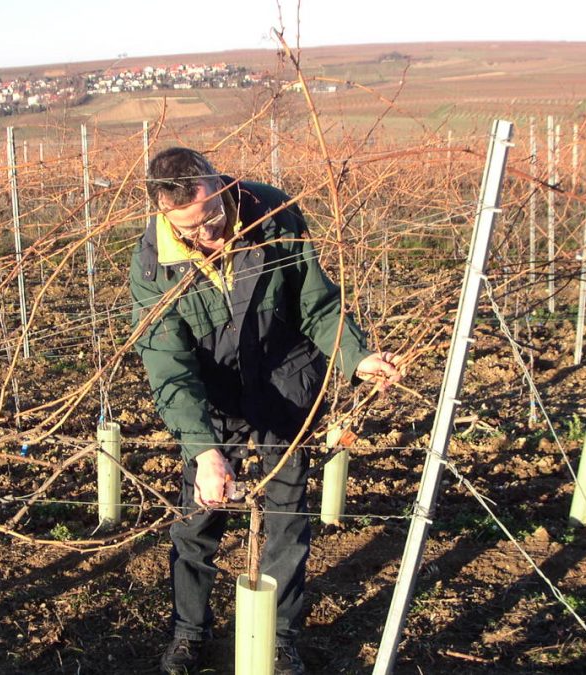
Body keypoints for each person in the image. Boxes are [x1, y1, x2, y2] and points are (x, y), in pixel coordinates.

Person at [129, 147, 400, 675]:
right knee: (197, 519)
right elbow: (169, 367)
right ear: (165, 214)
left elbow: (316, 303)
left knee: (285, 515)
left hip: (286, 376)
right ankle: (189, 633)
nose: (210, 233)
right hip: (214, 396)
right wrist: (205, 451)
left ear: (219, 183)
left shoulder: (273, 211)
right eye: (192, 229)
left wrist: (355, 354)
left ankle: (279, 636)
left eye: (214, 215)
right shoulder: (152, 262)